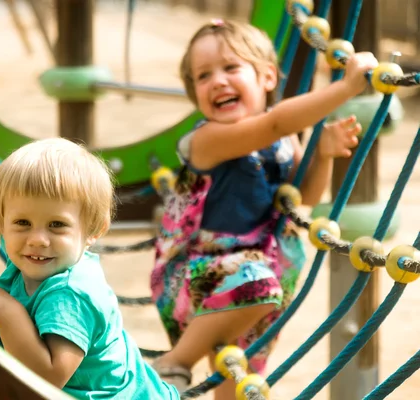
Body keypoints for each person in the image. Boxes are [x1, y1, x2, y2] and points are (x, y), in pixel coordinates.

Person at [149, 18, 377, 399]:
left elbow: (301, 195)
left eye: (231, 67)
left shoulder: (285, 139)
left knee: (238, 373)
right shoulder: (206, 140)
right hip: (195, 276)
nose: (218, 81)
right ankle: (175, 361)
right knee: (257, 283)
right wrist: (345, 87)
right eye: (203, 76)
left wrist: (322, 155)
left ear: (267, 77)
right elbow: (272, 123)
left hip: (262, 278)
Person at [0, 89, 180, 400]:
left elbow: (47, 376)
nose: (37, 238)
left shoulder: (70, 294)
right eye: (21, 223)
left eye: (57, 225)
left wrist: (4, 305)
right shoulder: (36, 249)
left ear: (94, 231)